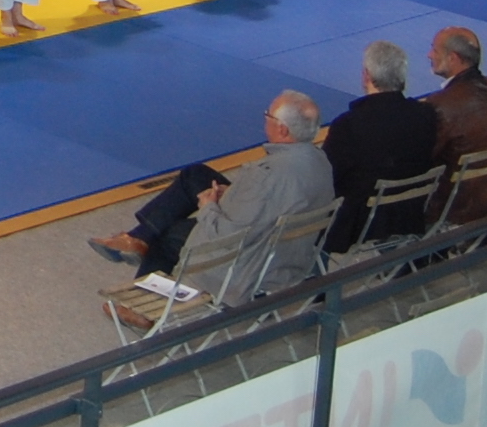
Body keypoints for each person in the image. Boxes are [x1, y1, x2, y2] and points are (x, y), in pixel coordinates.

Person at [88, 91, 333, 308]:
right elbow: (270, 203)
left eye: (268, 116)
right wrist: (235, 194)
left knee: (169, 235)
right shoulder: (320, 162)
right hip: (286, 250)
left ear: (282, 130)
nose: (264, 120)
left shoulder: (266, 176)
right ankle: (138, 238)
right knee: (196, 175)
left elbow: (229, 235)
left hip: (249, 262)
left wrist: (208, 207)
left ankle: (145, 301)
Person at [321, 41, 440, 253]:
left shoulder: (348, 126)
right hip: (411, 212)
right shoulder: (425, 115)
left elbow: (328, 177)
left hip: (360, 222)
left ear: (366, 75)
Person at [423, 27, 487, 227]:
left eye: (435, 50)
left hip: (447, 206)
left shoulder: (441, 105)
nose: (429, 55)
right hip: (486, 198)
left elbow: (424, 158)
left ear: (453, 58)